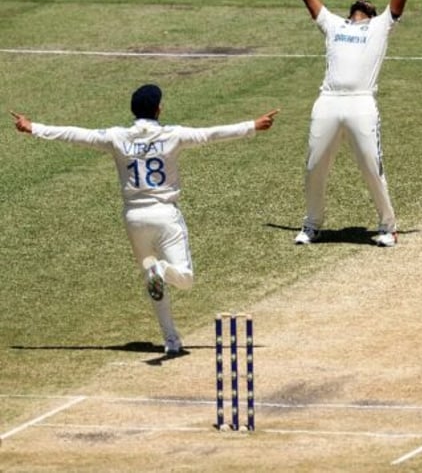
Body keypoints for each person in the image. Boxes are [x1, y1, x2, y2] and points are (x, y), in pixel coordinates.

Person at [10, 85, 279, 354]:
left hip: (134, 218)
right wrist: (252, 126)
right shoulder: (172, 135)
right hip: (165, 214)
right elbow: (210, 134)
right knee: (184, 279)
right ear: (159, 109)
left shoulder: (116, 137)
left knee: (155, 285)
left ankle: (171, 339)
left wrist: (33, 127)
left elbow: (74, 134)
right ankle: (161, 273)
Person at [270, 0, 422, 247]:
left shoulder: (380, 26)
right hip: (328, 100)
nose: (362, 4)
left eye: (367, 5)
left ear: (372, 14)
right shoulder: (333, 24)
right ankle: (312, 224)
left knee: (372, 166)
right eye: (358, 4)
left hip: (361, 102)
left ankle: (388, 227)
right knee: (314, 165)